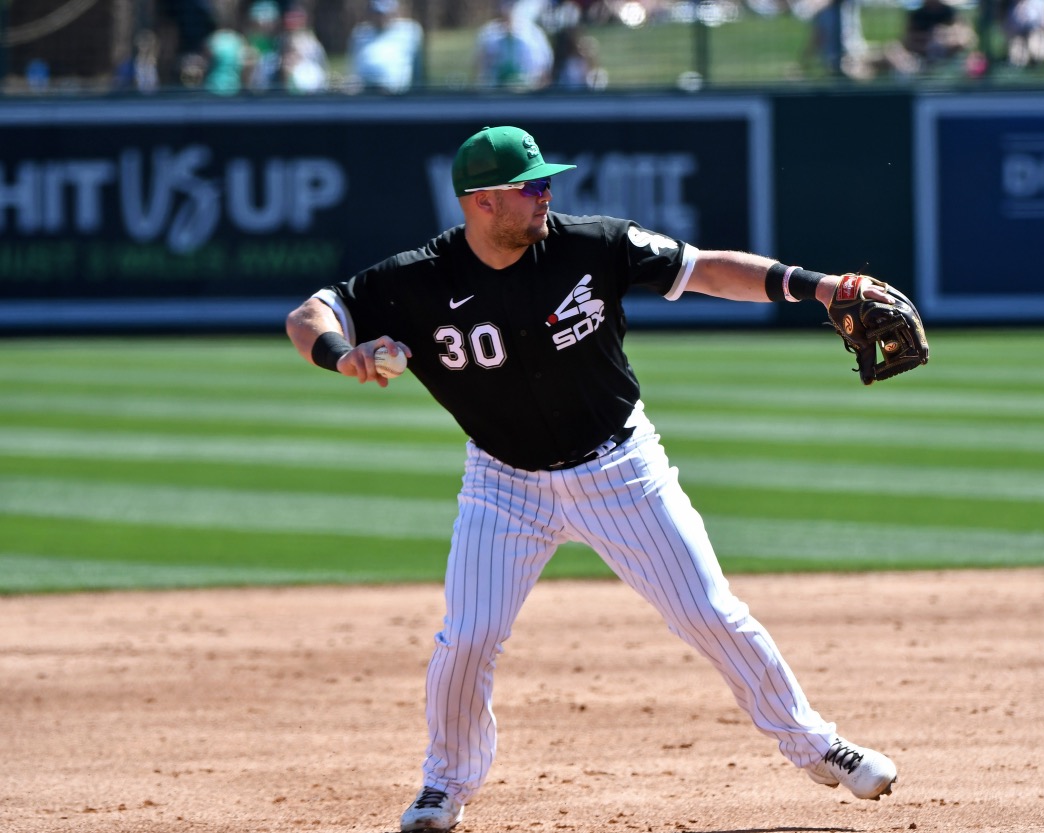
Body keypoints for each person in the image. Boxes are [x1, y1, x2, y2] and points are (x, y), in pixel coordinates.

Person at [285, 125, 901, 833]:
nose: (547, 193)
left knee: (708, 612)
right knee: (469, 637)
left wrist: (815, 287)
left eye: (548, 180)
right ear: (481, 202)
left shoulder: (592, 244)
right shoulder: (416, 279)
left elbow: (703, 269)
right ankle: (444, 785)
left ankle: (820, 746)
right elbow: (311, 312)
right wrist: (342, 354)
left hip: (620, 467)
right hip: (503, 481)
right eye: (531, 185)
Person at [347, 0, 424, 93]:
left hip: (395, 96)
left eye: (384, 13)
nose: (380, 18)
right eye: (376, 13)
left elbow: (418, 71)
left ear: (394, 12)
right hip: (364, 94)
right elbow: (352, 69)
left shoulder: (410, 31)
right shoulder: (360, 33)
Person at [883, 0, 976, 76]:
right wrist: (927, 42)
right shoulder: (917, 15)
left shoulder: (950, 13)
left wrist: (944, 39)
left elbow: (966, 39)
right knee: (893, 49)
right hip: (920, 57)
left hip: (948, 56)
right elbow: (908, 39)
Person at [474, 0, 553, 90]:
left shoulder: (533, 33)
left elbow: (544, 63)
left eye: (511, 5)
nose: (508, 9)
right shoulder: (488, 33)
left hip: (527, 89)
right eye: (504, 5)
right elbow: (480, 65)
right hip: (496, 90)